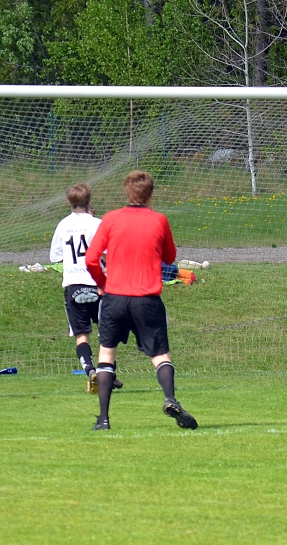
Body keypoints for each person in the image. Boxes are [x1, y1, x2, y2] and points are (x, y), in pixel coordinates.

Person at [85, 170, 197, 431]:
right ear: (151, 194)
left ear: (127, 192)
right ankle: (169, 398)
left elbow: (91, 259)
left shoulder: (111, 219)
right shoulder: (159, 220)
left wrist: (102, 282)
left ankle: (103, 419)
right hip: (147, 299)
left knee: (106, 354)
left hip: (114, 298)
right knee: (160, 355)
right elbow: (170, 258)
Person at [49, 183, 122, 393]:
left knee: (82, 334)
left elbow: (55, 256)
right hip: (97, 284)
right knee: (106, 332)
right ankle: (108, 373)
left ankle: (90, 369)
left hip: (73, 285)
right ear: (89, 200)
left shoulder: (63, 225)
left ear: (69, 202)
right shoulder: (97, 223)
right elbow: (109, 251)